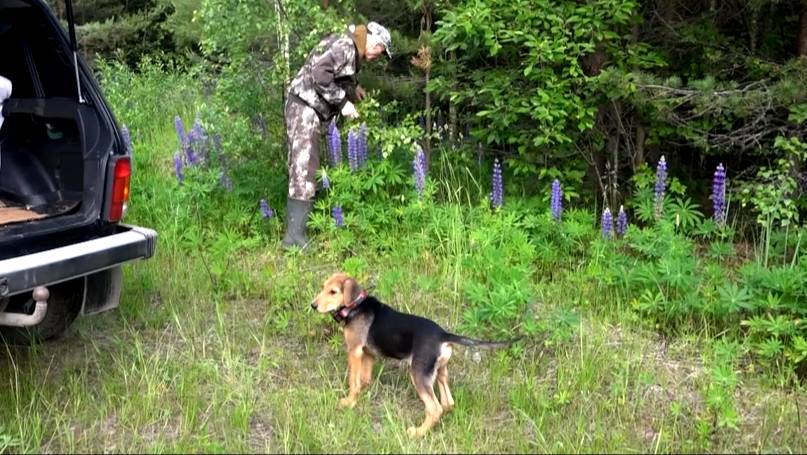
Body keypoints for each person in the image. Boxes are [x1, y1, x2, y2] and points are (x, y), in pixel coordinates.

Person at [282, 21, 392, 249]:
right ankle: (294, 239)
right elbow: (320, 74)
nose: (376, 56)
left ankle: (296, 234)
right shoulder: (346, 45)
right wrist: (343, 103)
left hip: (309, 110)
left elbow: (338, 75)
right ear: (372, 40)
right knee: (304, 168)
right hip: (303, 108)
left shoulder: (352, 49)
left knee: (307, 168)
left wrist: (354, 89)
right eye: (379, 50)